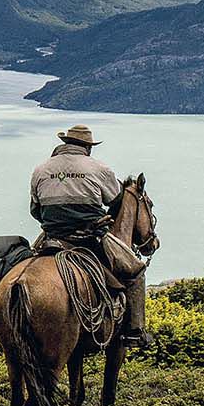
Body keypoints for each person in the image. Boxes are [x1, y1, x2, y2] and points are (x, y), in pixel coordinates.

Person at [28, 123, 151, 349]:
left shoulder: (40, 169)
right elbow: (116, 202)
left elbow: (35, 210)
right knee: (136, 271)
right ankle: (135, 331)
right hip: (89, 237)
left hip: (52, 237)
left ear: (65, 143)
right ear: (88, 147)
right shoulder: (99, 168)